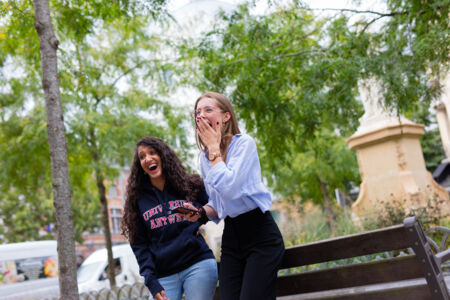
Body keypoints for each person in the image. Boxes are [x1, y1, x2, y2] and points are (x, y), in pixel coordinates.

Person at [183, 92, 285, 300]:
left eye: (208, 110)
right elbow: (220, 203)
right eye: (197, 112)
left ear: (226, 116)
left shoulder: (243, 144)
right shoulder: (205, 158)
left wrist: (213, 148)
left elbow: (229, 188)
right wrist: (201, 212)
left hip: (261, 236)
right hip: (231, 238)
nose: (201, 115)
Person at [121, 137, 218, 300]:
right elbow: (139, 245)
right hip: (163, 275)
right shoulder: (137, 200)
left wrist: (199, 215)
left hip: (197, 264)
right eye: (142, 156)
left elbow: (217, 207)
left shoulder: (189, 185)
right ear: (141, 166)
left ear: (163, 156)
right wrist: (151, 280)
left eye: (152, 153)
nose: (148, 159)